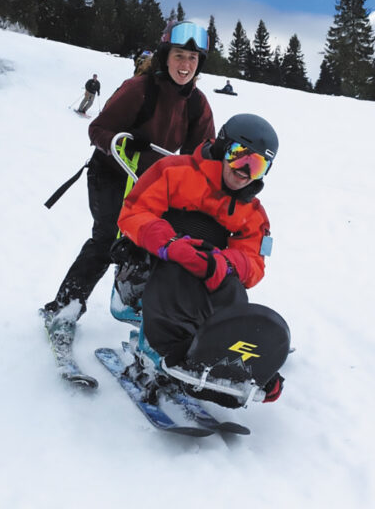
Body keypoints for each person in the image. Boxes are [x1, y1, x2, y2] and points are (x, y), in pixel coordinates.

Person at [42, 21, 216, 325]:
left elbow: (201, 155)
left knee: (154, 242)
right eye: (179, 56)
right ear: (165, 55)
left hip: (150, 184)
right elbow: (97, 129)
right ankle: (64, 308)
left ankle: (141, 308)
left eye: (192, 58)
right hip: (110, 174)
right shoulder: (139, 90)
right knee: (108, 239)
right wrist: (118, 141)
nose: (185, 65)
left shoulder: (197, 104)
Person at [116, 113, 286, 407]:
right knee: (178, 272)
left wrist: (222, 264)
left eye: (256, 166)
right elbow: (134, 211)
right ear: (222, 148)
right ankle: (174, 352)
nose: (244, 172)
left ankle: (236, 361)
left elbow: (254, 263)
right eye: (239, 157)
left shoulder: (253, 213)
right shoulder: (174, 171)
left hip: (204, 273)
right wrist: (170, 244)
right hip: (150, 265)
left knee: (232, 287)